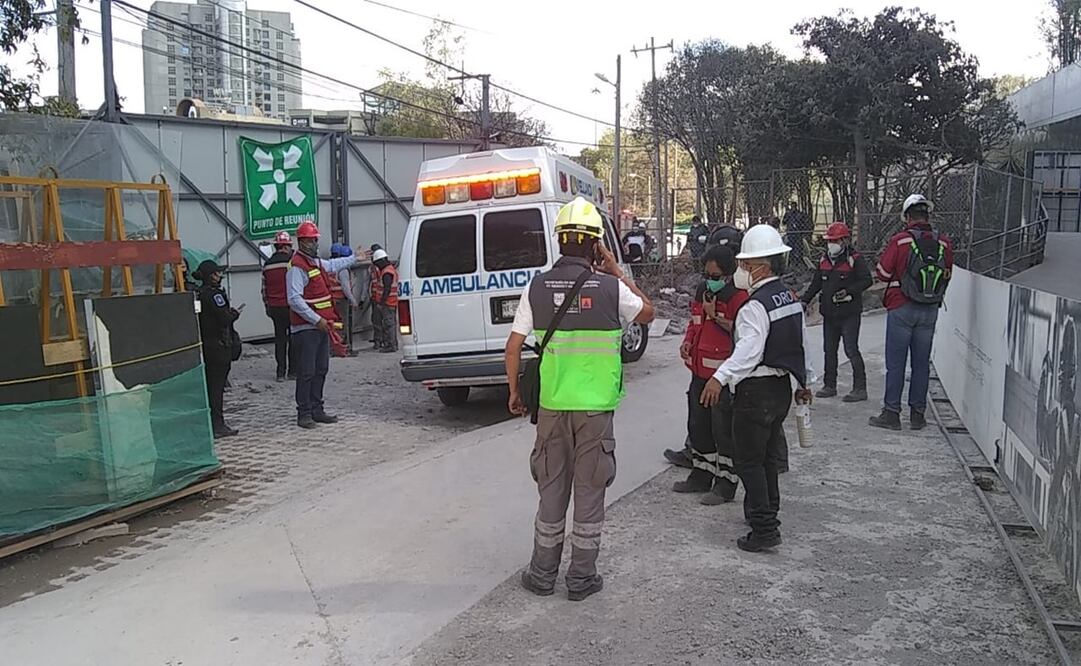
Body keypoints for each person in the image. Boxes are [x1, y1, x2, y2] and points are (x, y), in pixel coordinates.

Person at [505, 196, 655, 601]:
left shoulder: (537, 286)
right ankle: (581, 579)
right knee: (589, 491)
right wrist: (617, 271)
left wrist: (515, 393)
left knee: (551, 489)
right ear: (595, 244)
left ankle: (542, 575)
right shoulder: (611, 289)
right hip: (595, 411)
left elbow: (513, 347)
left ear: (559, 241)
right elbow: (648, 313)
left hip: (552, 408)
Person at [700, 224, 813, 552]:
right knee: (766, 459)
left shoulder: (755, 306)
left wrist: (720, 377)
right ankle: (765, 513)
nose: (740, 270)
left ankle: (764, 528)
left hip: (756, 391)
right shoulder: (788, 297)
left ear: (761, 267)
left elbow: (749, 350)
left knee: (749, 461)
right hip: (780, 390)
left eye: (744, 265)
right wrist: (805, 382)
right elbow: (803, 342)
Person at [869, 194, 953, 431]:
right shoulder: (944, 242)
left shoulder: (900, 241)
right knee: (921, 364)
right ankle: (918, 415)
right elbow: (947, 273)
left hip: (901, 307)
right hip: (930, 310)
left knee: (896, 364)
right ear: (927, 216)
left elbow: (883, 274)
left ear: (907, 217)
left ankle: (891, 413)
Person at [676, 244, 749, 505]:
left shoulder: (738, 297)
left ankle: (726, 484)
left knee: (723, 432)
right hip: (699, 373)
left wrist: (714, 316)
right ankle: (700, 475)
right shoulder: (702, 291)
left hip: (722, 378)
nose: (709, 280)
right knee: (698, 426)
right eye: (706, 274)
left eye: (715, 276)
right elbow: (694, 322)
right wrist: (687, 342)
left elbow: (742, 332)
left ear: (728, 275)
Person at [287, 221, 365, 429]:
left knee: (321, 369)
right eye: (312, 240)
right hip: (306, 329)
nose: (315, 244)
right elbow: (294, 299)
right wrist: (316, 319)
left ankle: (317, 409)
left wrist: (354, 258)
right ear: (302, 242)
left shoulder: (314, 262)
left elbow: (331, 265)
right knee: (307, 372)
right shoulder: (297, 267)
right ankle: (304, 413)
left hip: (321, 327)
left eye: (315, 240)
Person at [801, 222, 872, 402]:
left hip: (849, 314)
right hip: (829, 313)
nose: (831, 244)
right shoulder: (824, 260)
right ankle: (829, 385)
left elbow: (867, 280)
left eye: (835, 241)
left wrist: (848, 291)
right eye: (830, 241)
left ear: (844, 241)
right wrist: (804, 301)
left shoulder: (855, 259)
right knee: (829, 350)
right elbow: (816, 283)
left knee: (851, 350)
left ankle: (860, 388)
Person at [195, 259, 241, 439]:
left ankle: (210, 423)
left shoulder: (199, 293)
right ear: (211, 276)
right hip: (219, 346)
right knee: (217, 388)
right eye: (217, 273)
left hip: (206, 346)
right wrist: (234, 314)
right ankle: (218, 425)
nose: (220, 276)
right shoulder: (214, 295)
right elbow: (224, 319)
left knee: (210, 386)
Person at [262, 231, 294, 382]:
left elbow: (264, 289)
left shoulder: (267, 265)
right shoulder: (291, 263)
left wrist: (267, 306)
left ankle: (280, 372)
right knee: (293, 339)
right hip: (290, 307)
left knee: (280, 340)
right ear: (286, 246)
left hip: (274, 307)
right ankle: (293, 372)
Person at [328, 243, 359, 357]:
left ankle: (335, 348)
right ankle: (344, 349)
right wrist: (353, 300)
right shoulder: (343, 270)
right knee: (343, 325)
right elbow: (346, 288)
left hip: (333, 300)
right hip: (341, 300)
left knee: (336, 325)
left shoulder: (331, 268)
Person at [370, 248, 400, 353]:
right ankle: (392, 344)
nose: (377, 266)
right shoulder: (389, 269)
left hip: (388, 303)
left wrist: (382, 302)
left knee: (389, 324)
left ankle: (391, 345)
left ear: (382, 261)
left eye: (377, 263)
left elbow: (387, 289)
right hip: (390, 302)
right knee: (389, 324)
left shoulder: (387, 272)